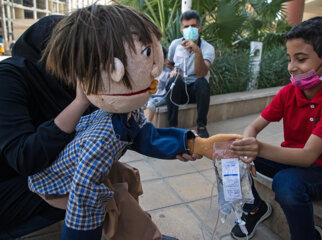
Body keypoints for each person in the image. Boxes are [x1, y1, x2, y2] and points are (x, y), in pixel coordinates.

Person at [0, 5, 201, 240]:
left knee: (114, 175)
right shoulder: (10, 78)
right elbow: (24, 158)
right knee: (95, 187)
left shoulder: (94, 80)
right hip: (16, 188)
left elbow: (125, 128)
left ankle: (137, 231)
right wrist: (78, 103)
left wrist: (182, 143)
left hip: (58, 169)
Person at [229, 17, 322, 240]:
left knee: (286, 184)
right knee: (233, 152)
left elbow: (308, 157)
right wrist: (247, 148)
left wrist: (256, 148)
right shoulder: (289, 92)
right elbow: (254, 126)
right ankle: (255, 208)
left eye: (301, 59)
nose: (291, 67)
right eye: (289, 59)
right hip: (291, 160)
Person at [165, 9, 215, 138]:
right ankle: (172, 126)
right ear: (181, 30)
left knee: (202, 82)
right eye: (186, 27)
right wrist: (174, 71)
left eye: (193, 26)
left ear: (199, 28)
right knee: (172, 81)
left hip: (195, 91)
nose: (190, 29)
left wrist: (197, 51)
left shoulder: (207, 48)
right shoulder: (175, 44)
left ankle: (201, 126)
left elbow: (201, 73)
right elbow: (168, 63)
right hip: (180, 89)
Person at [144, 46, 171, 122]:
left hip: (161, 97)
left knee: (151, 103)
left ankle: (147, 125)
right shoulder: (148, 72)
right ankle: (139, 125)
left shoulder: (167, 72)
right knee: (140, 103)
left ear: (165, 61)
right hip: (149, 96)